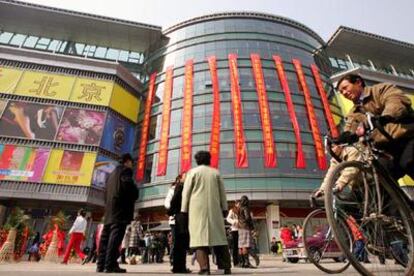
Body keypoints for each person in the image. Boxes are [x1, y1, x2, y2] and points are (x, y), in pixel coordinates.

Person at [335, 74, 414, 182]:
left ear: (358, 82)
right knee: (378, 176)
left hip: (407, 136)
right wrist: (341, 139)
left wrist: (386, 116)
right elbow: (349, 128)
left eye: (345, 88)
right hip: (386, 149)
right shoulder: (353, 113)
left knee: (408, 162)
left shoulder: (381, 89)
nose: (344, 93)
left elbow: (396, 102)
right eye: (341, 92)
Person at [181, 151, 231, 275]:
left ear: (197, 160)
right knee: (219, 238)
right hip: (214, 209)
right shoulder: (216, 173)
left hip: (196, 210)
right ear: (209, 159)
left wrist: (184, 210)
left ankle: (204, 268)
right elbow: (222, 193)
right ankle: (225, 267)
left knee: (199, 239)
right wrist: (225, 208)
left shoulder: (192, 173)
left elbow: (186, 193)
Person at [97, 153, 139, 273]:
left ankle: (101, 265)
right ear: (127, 161)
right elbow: (128, 185)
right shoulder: (126, 171)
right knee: (115, 237)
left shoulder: (111, 174)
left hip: (109, 208)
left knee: (105, 237)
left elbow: (105, 192)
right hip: (120, 209)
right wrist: (136, 192)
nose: (132, 165)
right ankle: (110, 265)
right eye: (132, 162)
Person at [168, 173, 191, 273]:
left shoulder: (185, 187)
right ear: (180, 178)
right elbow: (174, 200)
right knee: (180, 242)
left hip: (183, 216)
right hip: (181, 216)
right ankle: (179, 267)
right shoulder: (180, 186)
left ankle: (180, 266)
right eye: (185, 176)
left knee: (182, 243)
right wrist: (170, 212)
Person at [164, 176, 179, 265]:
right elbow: (167, 203)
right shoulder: (172, 190)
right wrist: (173, 210)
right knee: (175, 240)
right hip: (174, 220)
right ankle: (172, 258)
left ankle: (179, 262)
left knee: (182, 241)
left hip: (183, 219)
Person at [238, 195, 255, 268]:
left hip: (240, 228)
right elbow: (247, 218)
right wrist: (252, 227)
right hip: (245, 227)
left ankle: (242, 262)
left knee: (241, 246)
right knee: (245, 245)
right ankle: (247, 263)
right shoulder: (245, 208)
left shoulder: (239, 208)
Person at [226, 201, 240, 267]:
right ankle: (236, 262)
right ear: (236, 204)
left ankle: (241, 261)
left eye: (240, 204)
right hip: (234, 230)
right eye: (238, 204)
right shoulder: (232, 211)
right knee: (235, 247)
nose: (239, 205)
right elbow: (228, 218)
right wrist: (233, 222)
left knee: (241, 247)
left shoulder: (242, 210)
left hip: (241, 230)